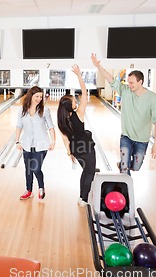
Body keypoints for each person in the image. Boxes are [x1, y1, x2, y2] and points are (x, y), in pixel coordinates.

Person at [91, 53, 156, 175]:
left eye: (132, 83)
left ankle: (123, 165)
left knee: (136, 167)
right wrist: (99, 66)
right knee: (125, 170)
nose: (129, 85)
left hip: (142, 140)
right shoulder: (126, 91)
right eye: (128, 82)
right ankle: (125, 191)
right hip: (126, 137)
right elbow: (111, 80)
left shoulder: (152, 98)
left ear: (140, 82)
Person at [57, 65, 96, 207]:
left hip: (75, 149)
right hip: (86, 147)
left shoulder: (61, 120)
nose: (76, 101)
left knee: (85, 171)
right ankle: (84, 199)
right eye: (74, 101)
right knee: (90, 172)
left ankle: (82, 196)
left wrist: (69, 153)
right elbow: (85, 94)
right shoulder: (78, 114)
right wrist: (79, 75)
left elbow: (65, 138)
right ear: (71, 105)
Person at [16, 86, 56, 200]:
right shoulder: (22, 110)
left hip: (42, 144)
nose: (39, 99)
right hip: (26, 144)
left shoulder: (45, 110)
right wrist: (17, 141)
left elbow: (51, 126)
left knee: (35, 168)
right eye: (37, 96)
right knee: (28, 168)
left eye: (41, 97)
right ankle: (28, 190)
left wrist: (53, 141)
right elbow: (19, 126)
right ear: (31, 96)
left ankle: (41, 187)